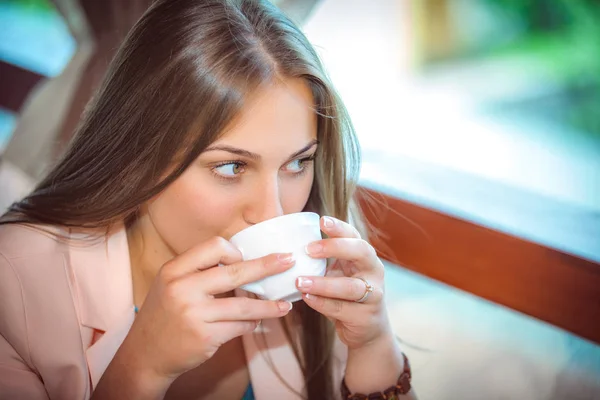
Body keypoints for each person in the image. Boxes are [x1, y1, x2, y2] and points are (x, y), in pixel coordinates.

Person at [0, 0, 416, 399]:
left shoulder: (322, 268)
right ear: (137, 155)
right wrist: (139, 371)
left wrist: (375, 346)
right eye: (232, 167)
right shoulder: (14, 279)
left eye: (297, 163)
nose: (272, 212)